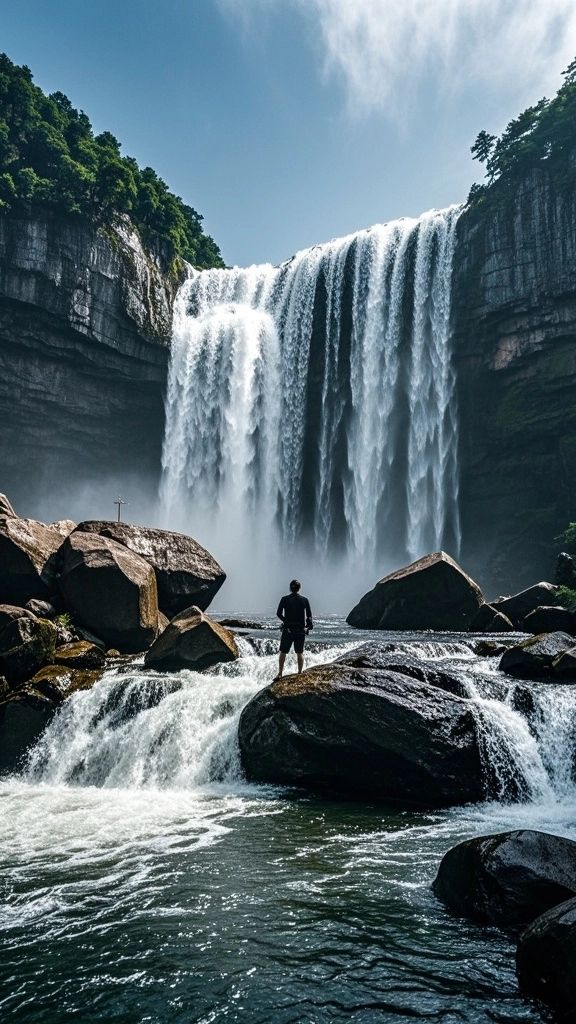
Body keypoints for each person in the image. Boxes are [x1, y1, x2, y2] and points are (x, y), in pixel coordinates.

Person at [275, 579, 313, 680]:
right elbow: (309, 616)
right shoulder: (305, 600)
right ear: (299, 588)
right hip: (300, 630)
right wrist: (308, 626)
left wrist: (286, 621)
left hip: (288, 629)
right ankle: (300, 673)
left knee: (283, 652)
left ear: (290, 588)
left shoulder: (284, 599)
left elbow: (278, 613)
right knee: (299, 652)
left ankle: (280, 674)